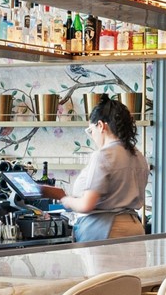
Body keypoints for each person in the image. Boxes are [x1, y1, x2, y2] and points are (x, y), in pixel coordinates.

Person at [45, 98, 149, 243]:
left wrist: (65, 199)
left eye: (91, 130)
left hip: (106, 231)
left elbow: (86, 205)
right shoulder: (138, 155)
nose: (92, 136)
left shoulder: (103, 155)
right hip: (135, 228)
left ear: (100, 126)